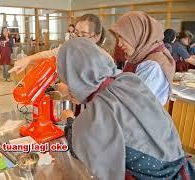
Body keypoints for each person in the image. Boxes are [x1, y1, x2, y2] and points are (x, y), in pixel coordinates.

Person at [59, 38, 195, 180]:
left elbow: (78, 149)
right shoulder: (129, 81)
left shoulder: (93, 117)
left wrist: (69, 119)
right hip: (183, 168)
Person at [109, 11, 175, 105]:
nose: (119, 44)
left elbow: (132, 104)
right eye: (117, 38)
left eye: (122, 37)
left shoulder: (152, 65)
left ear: (138, 35)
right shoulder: (140, 55)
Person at [9, 14, 109, 75]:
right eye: (76, 32)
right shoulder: (70, 47)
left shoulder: (105, 59)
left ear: (96, 36)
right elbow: (49, 54)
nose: (78, 38)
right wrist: (28, 59)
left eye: (83, 34)